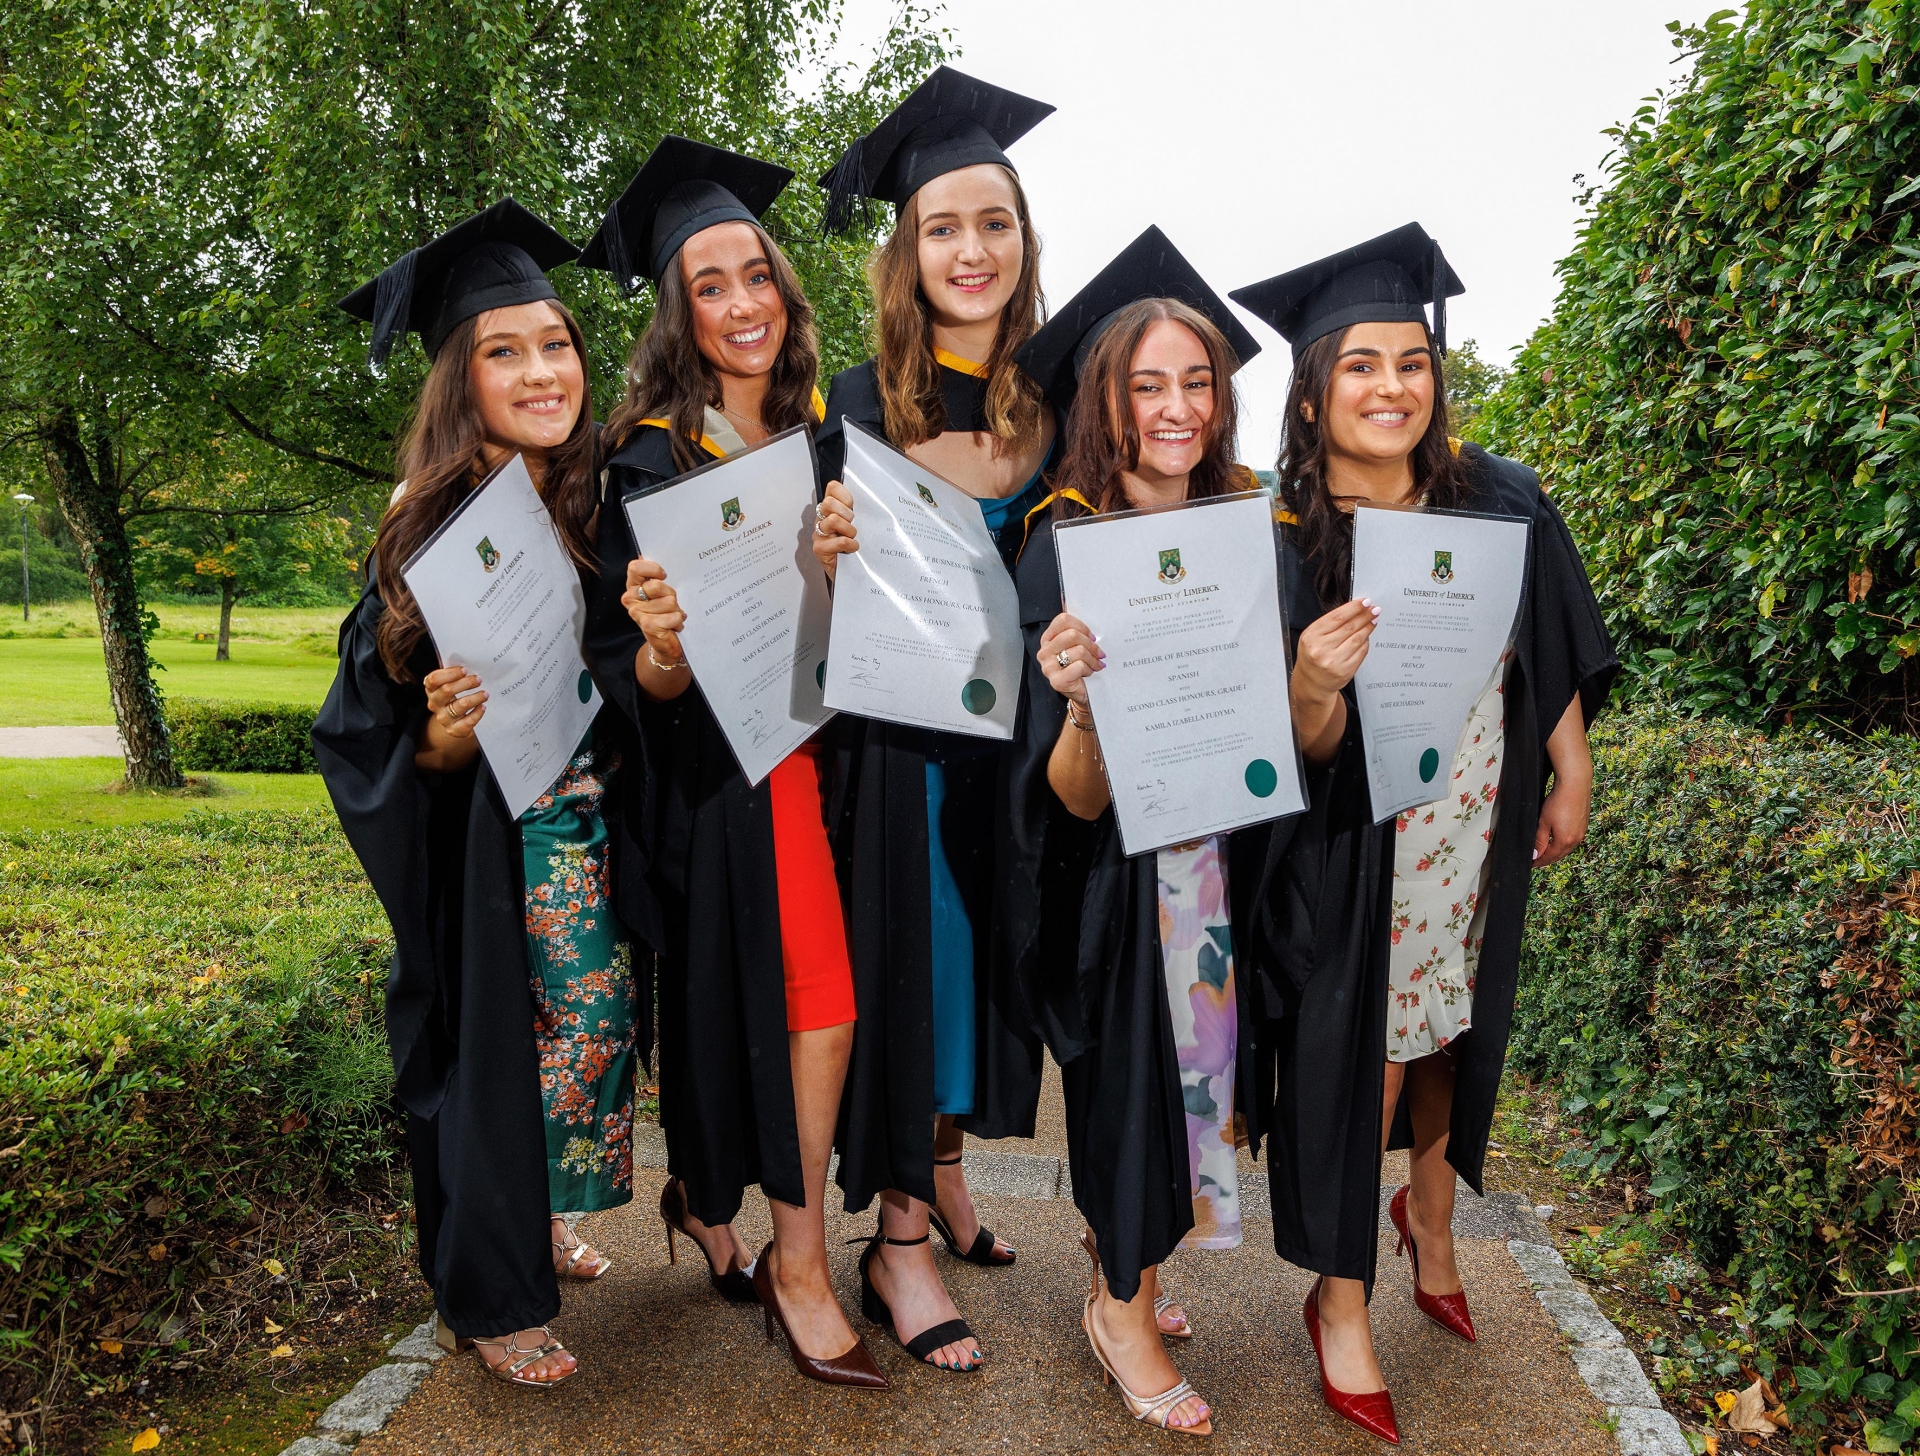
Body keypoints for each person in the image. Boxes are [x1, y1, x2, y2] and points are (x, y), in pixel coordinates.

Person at [1229, 223, 1617, 1444]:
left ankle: (1430, 1221)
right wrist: (1313, 682)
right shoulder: (1284, 538)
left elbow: (1542, 641)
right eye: (1361, 365)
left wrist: (1571, 764)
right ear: (1311, 391)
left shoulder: (1497, 496)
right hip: (1355, 840)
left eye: (1413, 362)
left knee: (1455, 1026)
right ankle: (1341, 1299)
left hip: (1475, 813)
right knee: (1375, 1057)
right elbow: (1297, 746)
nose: (1393, 386)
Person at [316, 200, 653, 1390]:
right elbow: (369, 727)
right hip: (486, 844)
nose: (542, 370)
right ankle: (491, 1294)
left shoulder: (591, 498)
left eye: (556, 344)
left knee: (593, 1028)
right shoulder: (428, 524)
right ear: (461, 380)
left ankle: (542, 1211)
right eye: (504, 352)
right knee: (497, 1055)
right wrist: (441, 742)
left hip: (583, 818)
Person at [577, 137, 887, 1389]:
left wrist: (848, 569)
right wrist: (661, 647)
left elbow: (866, 628)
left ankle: (711, 1205)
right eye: (710, 285)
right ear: (678, 312)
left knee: (789, 1012)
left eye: (756, 275)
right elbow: (634, 682)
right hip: (732, 781)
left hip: (839, 759)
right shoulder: (646, 462)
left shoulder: (829, 440)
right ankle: (797, 1265)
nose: (743, 303)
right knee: (819, 1010)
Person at [808, 66, 1055, 1376]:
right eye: (943, 226)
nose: (972, 250)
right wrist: (822, 554)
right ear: (908, 251)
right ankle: (898, 1240)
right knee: (929, 972)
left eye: (994, 222)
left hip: (1020, 753)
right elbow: (807, 610)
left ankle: (947, 1177)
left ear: (1024, 240)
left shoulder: (1059, 402)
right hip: (902, 755)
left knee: (992, 969)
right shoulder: (852, 409)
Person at [1003, 228, 1267, 1437]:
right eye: (1146, 384)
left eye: (1196, 382)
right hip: (1112, 874)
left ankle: (1129, 1253)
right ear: (1103, 400)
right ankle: (1121, 1310)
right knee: (1128, 1080)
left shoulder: (1247, 529)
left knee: (1192, 1076)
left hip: (1218, 857)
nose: (1176, 408)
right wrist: (1076, 705)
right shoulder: (1060, 546)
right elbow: (1063, 797)